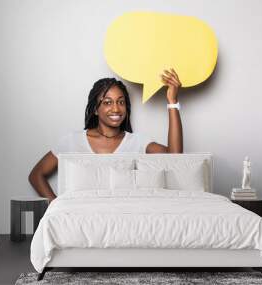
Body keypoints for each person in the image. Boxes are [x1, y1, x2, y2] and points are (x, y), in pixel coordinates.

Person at [29, 68, 183, 203]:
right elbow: (37, 175)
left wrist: (172, 102)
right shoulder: (72, 141)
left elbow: (176, 159)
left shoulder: (138, 142)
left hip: (125, 221)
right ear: (96, 109)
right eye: (107, 102)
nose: (116, 109)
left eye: (121, 102)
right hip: (82, 221)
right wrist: (56, 205)